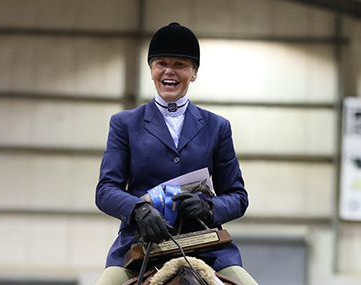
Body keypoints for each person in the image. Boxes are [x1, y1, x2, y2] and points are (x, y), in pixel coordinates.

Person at [95, 22, 257, 285]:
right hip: (141, 246)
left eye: (180, 64)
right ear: (151, 69)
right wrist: (138, 211)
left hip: (207, 248)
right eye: (161, 63)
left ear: (193, 72)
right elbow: (105, 190)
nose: (169, 71)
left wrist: (208, 207)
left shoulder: (217, 127)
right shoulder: (124, 123)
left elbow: (238, 197)